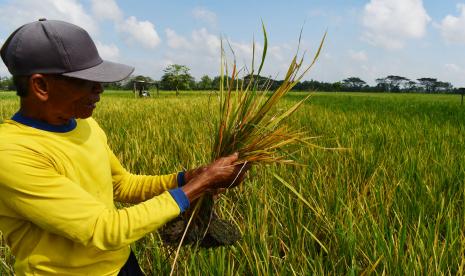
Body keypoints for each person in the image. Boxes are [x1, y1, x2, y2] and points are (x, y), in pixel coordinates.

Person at [0, 19, 248, 275]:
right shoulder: (11, 154)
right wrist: (199, 185)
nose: (100, 90)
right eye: (86, 80)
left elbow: (122, 185)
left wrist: (188, 178)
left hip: (121, 264)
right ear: (41, 86)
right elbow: (104, 229)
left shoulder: (86, 125)